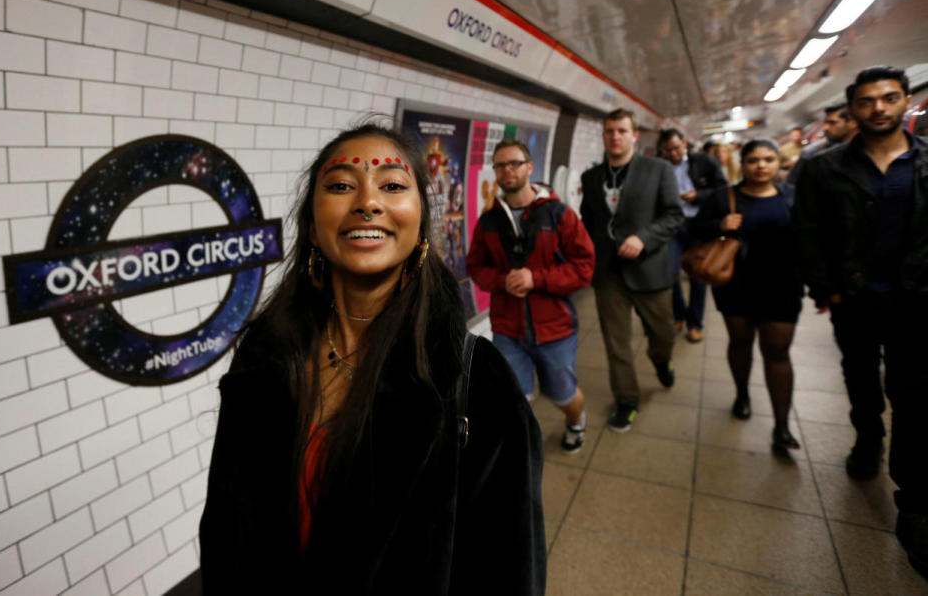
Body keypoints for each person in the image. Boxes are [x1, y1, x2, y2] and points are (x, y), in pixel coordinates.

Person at [199, 124, 546, 594]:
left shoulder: (477, 381)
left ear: (422, 220)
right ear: (313, 225)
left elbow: (509, 567)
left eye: (393, 186)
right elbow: (225, 527)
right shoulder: (268, 352)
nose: (368, 202)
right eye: (341, 185)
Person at [794, 65, 928, 579]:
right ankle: (867, 433)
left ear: (905, 101)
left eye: (889, 98)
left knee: (914, 396)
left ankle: (915, 505)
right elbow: (807, 231)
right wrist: (822, 284)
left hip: (918, 302)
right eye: (868, 101)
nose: (879, 108)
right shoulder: (825, 169)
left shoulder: (926, 164)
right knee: (860, 375)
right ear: (852, 110)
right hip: (855, 297)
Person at [467, 139, 595, 453]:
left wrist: (535, 278)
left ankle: (576, 422)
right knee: (513, 397)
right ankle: (521, 449)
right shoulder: (490, 220)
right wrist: (502, 280)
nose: (507, 170)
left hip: (554, 328)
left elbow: (585, 267)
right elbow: (475, 265)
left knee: (562, 394)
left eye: (514, 163)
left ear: (529, 167)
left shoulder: (557, 214)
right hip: (508, 330)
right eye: (500, 165)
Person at [691, 139, 802, 453]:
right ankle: (742, 393)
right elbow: (694, 230)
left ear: (778, 162)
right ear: (743, 163)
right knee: (740, 342)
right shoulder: (722, 198)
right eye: (753, 160)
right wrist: (719, 224)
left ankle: (781, 427)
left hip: (782, 287)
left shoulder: (792, 198)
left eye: (768, 159)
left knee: (778, 352)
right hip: (735, 285)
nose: (761, 166)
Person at [580, 109, 683, 432]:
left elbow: (673, 215)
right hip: (608, 272)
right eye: (609, 130)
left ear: (634, 135)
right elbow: (589, 222)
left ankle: (660, 358)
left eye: (622, 131)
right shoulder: (592, 178)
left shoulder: (658, 170)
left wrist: (644, 238)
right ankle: (627, 400)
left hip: (649, 267)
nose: (615, 136)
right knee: (617, 342)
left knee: (663, 333)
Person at [657, 128, 727, 342]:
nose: (674, 154)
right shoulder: (660, 167)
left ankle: (694, 324)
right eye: (668, 150)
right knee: (670, 272)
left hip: (699, 224)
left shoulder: (705, 162)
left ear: (685, 143)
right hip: (673, 225)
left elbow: (721, 189)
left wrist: (698, 196)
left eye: (677, 148)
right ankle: (679, 313)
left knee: (698, 276)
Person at [787, 103, 858, 186]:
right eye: (825, 123)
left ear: (853, 123)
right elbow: (791, 185)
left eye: (832, 123)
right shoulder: (812, 153)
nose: (825, 128)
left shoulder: (869, 148)